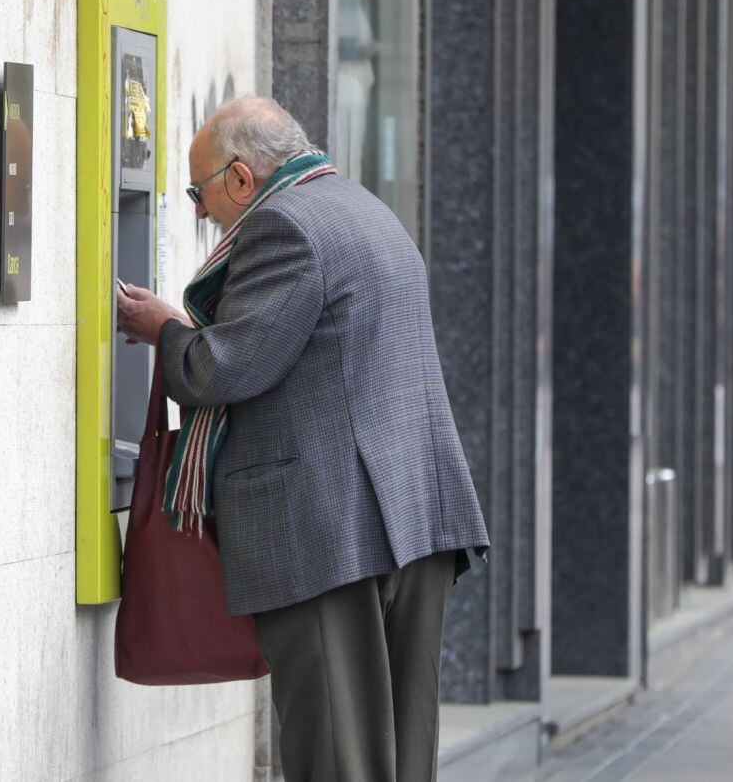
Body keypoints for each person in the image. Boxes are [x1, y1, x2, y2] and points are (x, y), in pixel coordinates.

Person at [115, 96, 490, 782]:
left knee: (336, 755)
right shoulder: (362, 209)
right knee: (401, 758)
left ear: (239, 179)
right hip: (410, 518)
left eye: (199, 194)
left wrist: (165, 329)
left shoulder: (282, 227)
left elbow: (222, 368)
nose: (200, 214)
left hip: (329, 529)